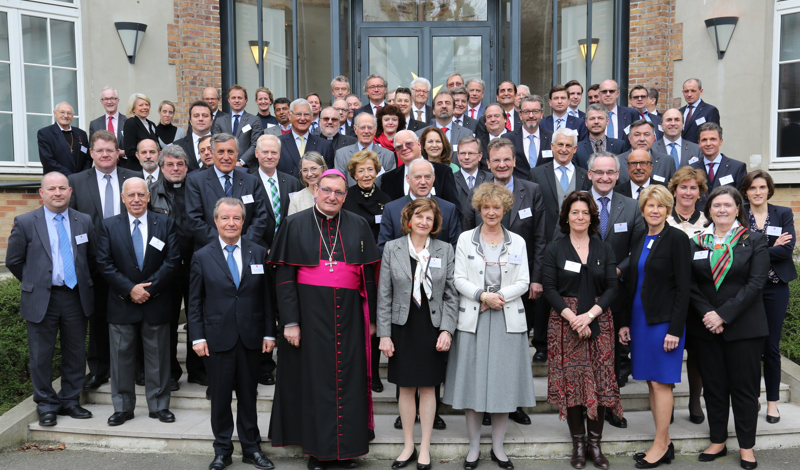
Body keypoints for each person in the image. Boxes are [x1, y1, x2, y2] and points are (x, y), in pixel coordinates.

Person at [268, 169, 381, 469]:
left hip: (350, 317)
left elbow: (368, 275)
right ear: (316, 190)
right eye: (327, 190)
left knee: (350, 381)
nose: (333, 197)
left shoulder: (358, 224)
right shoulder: (293, 224)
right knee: (313, 382)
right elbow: (284, 279)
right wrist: (290, 322)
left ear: (345, 195)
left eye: (339, 192)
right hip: (309, 315)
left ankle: (347, 450)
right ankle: (317, 451)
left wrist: (371, 319)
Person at [444, 183, 536, 470]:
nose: (492, 212)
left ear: (505, 209)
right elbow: (458, 278)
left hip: (507, 320)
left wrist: (498, 298)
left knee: (502, 386)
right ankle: (473, 448)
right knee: (472, 385)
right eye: (486, 207)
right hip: (473, 318)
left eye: (497, 207)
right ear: (479, 208)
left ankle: (498, 448)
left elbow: (523, 280)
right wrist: (482, 296)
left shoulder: (518, 242)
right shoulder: (464, 239)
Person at [461, 137, 546, 425]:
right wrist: (479, 293)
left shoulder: (532, 191)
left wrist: (536, 279)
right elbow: (467, 234)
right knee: (483, 355)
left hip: (519, 285)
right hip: (479, 289)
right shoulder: (477, 194)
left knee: (509, 353)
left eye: (506, 159)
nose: (501, 164)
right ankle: (485, 406)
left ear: (514, 160)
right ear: (488, 162)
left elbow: (540, 237)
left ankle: (513, 405)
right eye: (496, 160)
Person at [189, 198, 276, 470]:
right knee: (221, 398)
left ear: (243, 221)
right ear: (216, 221)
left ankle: (252, 448)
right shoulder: (202, 256)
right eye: (225, 218)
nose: (231, 223)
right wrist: (197, 337)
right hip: (216, 339)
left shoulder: (259, 252)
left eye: (236, 218)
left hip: (251, 337)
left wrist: (269, 334)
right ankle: (222, 450)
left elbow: (267, 298)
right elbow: (194, 301)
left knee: (249, 396)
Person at [6, 172, 96, 427]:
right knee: (41, 355)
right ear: (41, 193)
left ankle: (70, 401)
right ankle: (46, 404)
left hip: (75, 296)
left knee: (76, 352)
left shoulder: (84, 220)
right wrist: (34, 282)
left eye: (62, 188)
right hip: (41, 298)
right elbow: (13, 261)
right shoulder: (25, 221)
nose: (57, 193)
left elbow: (91, 260)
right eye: (52, 189)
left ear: (70, 192)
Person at [687, 186, 768, 469]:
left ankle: (746, 447)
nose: (721, 210)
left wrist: (723, 315)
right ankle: (718, 440)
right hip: (706, 328)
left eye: (727, 205)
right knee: (714, 387)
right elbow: (691, 285)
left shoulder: (754, 240)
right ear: (709, 210)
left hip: (744, 328)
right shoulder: (697, 241)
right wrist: (708, 314)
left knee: (745, 391)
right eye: (716, 205)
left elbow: (756, 283)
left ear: (737, 209)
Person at [542, 191, 621, 470]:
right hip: (564, 323)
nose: (580, 217)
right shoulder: (555, 248)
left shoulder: (604, 248)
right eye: (575, 212)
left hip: (599, 319)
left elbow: (612, 287)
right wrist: (573, 318)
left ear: (592, 217)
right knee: (573, 384)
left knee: (598, 382)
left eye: (585, 213)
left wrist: (588, 316)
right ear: (566, 217)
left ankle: (595, 445)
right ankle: (578, 444)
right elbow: (549, 288)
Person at [378, 198, 458, 470]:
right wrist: (384, 334)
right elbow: (384, 294)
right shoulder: (392, 248)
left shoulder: (445, 250)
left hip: (432, 326)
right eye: (419, 216)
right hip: (402, 327)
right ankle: (408, 445)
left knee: (428, 387)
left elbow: (451, 295)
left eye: (430, 218)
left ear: (435, 224)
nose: (424, 222)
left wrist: (447, 329)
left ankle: (425, 447)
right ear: (409, 219)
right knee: (405, 387)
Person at [96, 177, 179, 426]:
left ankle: (159, 406)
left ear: (148, 196)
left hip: (156, 302)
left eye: (141, 194)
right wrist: (130, 289)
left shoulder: (165, 223)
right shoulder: (108, 226)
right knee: (121, 360)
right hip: (122, 303)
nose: (136, 199)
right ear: (123, 198)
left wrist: (147, 290)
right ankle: (122, 408)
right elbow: (104, 263)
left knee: (158, 359)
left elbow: (172, 261)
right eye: (131, 195)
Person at [618, 185, 691, 468]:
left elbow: (684, 289)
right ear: (643, 209)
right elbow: (630, 284)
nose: (655, 210)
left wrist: (675, 329)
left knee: (662, 383)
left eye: (660, 206)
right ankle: (666, 442)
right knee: (651, 381)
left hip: (664, 324)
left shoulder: (676, 238)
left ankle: (660, 444)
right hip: (639, 322)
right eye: (650, 205)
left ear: (668, 209)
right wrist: (624, 323)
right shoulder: (640, 239)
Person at [68, 130, 140, 390]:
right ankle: (99, 370)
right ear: (91, 153)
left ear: (118, 152)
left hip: (129, 261)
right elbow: (72, 222)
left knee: (133, 315)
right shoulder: (75, 180)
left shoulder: (133, 178)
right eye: (99, 150)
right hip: (92, 263)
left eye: (110, 150)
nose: (105, 154)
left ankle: (136, 369)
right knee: (97, 317)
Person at [740, 170, 797, 424]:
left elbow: (785, 252)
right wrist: (769, 247)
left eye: (762, 187)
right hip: (747, 289)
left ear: (769, 189)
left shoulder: (782, 213)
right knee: (750, 347)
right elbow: (737, 251)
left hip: (775, 289)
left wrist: (756, 249)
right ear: (746, 191)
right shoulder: (739, 212)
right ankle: (751, 399)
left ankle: (772, 402)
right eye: (752, 188)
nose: (758, 192)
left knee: (771, 347)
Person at [148, 144, 199, 390]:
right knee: (166, 320)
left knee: (197, 318)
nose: (175, 168)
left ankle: (198, 370)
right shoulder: (151, 192)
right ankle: (169, 373)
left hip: (195, 265)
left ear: (187, 167)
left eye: (180, 164)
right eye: (170, 164)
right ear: (161, 167)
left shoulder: (198, 189)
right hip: (165, 267)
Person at [666, 166, 709, 425]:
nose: (688, 192)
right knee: (669, 350)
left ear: (700, 192)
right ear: (674, 190)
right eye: (683, 187)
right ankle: (666, 403)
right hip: (669, 296)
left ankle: (695, 400)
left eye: (694, 188)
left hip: (699, 296)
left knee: (697, 351)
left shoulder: (708, 222)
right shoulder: (662, 219)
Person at [185, 133, 269, 249]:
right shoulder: (196, 181)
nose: (226, 157)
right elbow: (194, 220)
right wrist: (223, 244)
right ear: (213, 154)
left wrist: (242, 244)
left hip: (246, 250)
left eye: (230, 152)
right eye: (221, 152)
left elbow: (260, 217)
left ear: (237, 154)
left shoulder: (251, 181)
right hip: (210, 251)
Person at [378, 156, 462, 252]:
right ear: (408, 178)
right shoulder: (392, 209)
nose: (423, 182)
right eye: (417, 177)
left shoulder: (448, 209)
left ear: (433, 178)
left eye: (427, 177)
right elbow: (384, 248)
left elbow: (455, 247)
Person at [528, 128, 592, 240]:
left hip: (578, 239)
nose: (564, 149)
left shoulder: (585, 176)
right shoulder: (536, 174)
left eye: (568, 146)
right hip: (546, 239)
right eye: (560, 144)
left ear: (575, 149)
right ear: (552, 146)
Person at [377, 130, 461, 210]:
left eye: (409, 144)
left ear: (419, 144)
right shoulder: (388, 179)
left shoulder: (442, 171)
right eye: (399, 147)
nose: (404, 148)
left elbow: (454, 209)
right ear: (396, 152)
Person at [689, 122, 747, 211]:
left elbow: (742, 200)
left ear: (721, 141)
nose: (708, 143)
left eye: (713, 139)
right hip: (699, 221)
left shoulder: (737, 168)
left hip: (727, 219)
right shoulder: (691, 169)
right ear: (699, 143)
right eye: (704, 140)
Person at [342, 149, 392, 243]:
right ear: (355, 175)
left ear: (376, 172)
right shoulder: (345, 198)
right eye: (361, 171)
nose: (366, 175)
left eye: (370, 169)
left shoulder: (386, 199)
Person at [276, 98, 334, 178]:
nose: (302, 118)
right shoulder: (278, 143)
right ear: (289, 116)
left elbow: (328, 176)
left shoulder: (324, 145)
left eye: (306, 114)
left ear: (311, 117)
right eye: (298, 114)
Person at [335, 112, 397, 187]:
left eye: (370, 127)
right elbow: (340, 184)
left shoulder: (387, 155)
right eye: (362, 127)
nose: (366, 131)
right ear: (355, 129)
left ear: (375, 130)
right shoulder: (342, 154)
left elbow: (390, 185)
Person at [211, 85, 264, 168]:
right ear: (229, 100)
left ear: (245, 100)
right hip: (224, 165)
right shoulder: (219, 121)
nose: (236, 101)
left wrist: (241, 162)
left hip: (247, 168)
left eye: (240, 98)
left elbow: (256, 144)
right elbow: (215, 144)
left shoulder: (254, 120)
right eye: (233, 98)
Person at [616, 120, 676, 187]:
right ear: (630, 138)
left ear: (653, 138)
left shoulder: (667, 161)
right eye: (637, 135)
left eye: (646, 135)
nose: (642, 139)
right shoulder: (617, 161)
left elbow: (672, 190)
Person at [38, 102, 92, 176]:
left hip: (80, 181)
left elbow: (88, 158)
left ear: (72, 116)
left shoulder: (81, 134)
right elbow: (48, 161)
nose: (66, 116)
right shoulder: (45, 133)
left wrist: (81, 176)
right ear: (55, 113)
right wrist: (71, 177)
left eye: (69, 113)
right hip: (57, 182)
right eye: (62, 112)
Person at [508, 95, 554, 179]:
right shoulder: (508, 139)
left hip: (544, 188)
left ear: (541, 114)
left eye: (535, 111)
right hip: (518, 189)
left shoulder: (552, 137)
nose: (531, 115)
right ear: (520, 115)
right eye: (526, 112)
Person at [574, 104, 627, 169]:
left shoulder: (619, 146)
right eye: (592, 119)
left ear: (607, 121)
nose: (596, 122)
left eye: (600, 118)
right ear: (586, 123)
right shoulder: (577, 148)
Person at [452, 136, 492, 214]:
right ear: (458, 155)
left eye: (471, 153)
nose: (466, 157)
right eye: (463, 153)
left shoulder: (490, 179)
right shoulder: (450, 180)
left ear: (480, 156)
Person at [122, 93, 160, 172]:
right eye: (141, 105)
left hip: (152, 168)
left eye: (147, 104)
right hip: (137, 169)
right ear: (133, 108)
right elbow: (129, 151)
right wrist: (147, 157)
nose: (145, 108)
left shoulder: (151, 124)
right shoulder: (130, 123)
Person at [173, 101, 214, 172]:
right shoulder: (178, 146)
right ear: (190, 121)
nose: (200, 119)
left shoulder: (222, 143)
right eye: (196, 116)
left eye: (205, 115)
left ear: (211, 121)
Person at [89, 86, 127, 159]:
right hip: (103, 166)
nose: (109, 102)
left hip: (125, 167)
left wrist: (123, 153)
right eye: (106, 99)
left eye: (112, 98)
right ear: (101, 102)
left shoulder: (128, 121)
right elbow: (92, 149)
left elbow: (135, 148)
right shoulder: (94, 124)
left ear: (118, 101)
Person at [679, 78, 721, 144]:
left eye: (693, 91)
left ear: (701, 91)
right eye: (686, 91)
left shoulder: (710, 110)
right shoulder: (680, 112)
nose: (689, 94)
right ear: (683, 92)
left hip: (700, 152)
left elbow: (714, 135)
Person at [287, 152, 327, 216]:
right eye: (305, 170)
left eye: (313, 169)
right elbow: (292, 224)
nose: (310, 174)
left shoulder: (332, 194)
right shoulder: (296, 198)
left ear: (322, 169)